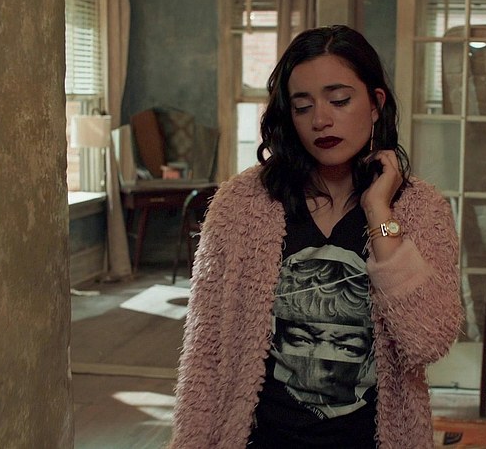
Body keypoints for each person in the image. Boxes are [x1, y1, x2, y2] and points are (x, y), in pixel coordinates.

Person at [170, 24, 463, 449]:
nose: (320, 120)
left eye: (339, 100)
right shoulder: (241, 205)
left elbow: (428, 340)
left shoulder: (419, 209)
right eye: (302, 106)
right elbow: (204, 356)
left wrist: (379, 212)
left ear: (376, 104)